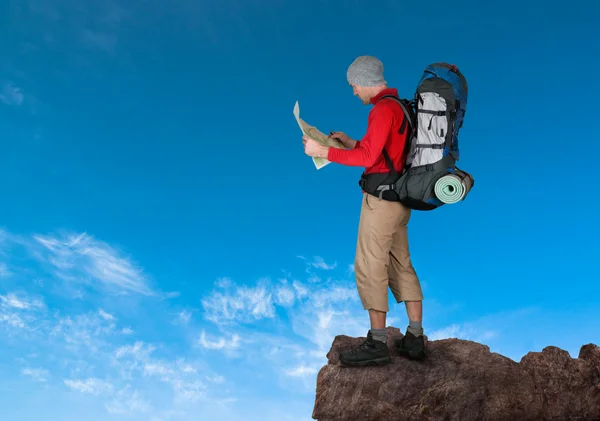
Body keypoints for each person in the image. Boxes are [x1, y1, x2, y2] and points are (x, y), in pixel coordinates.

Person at [302, 55, 426, 365]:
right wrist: (349, 142)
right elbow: (383, 152)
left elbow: (370, 157)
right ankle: (415, 337)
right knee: (401, 264)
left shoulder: (382, 109)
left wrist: (322, 151)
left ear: (364, 82)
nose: (354, 92)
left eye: (354, 86)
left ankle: (378, 344)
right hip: (401, 199)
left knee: (370, 264)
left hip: (381, 201)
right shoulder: (401, 108)